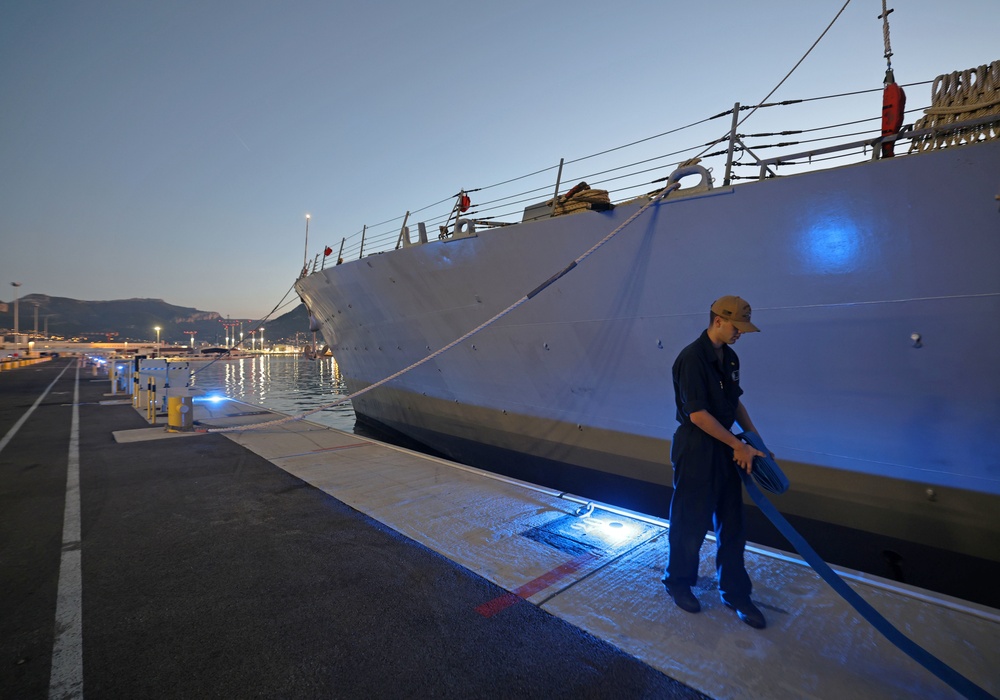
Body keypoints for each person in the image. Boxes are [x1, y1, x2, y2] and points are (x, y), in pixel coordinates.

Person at [661, 295, 768, 629]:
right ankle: (678, 583)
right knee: (689, 524)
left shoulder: (730, 358)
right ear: (718, 320)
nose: (741, 334)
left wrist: (755, 441)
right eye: (737, 327)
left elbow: (734, 404)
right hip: (697, 448)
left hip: (726, 448)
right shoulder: (692, 359)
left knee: (732, 525)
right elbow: (697, 415)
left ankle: (736, 593)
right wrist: (738, 444)